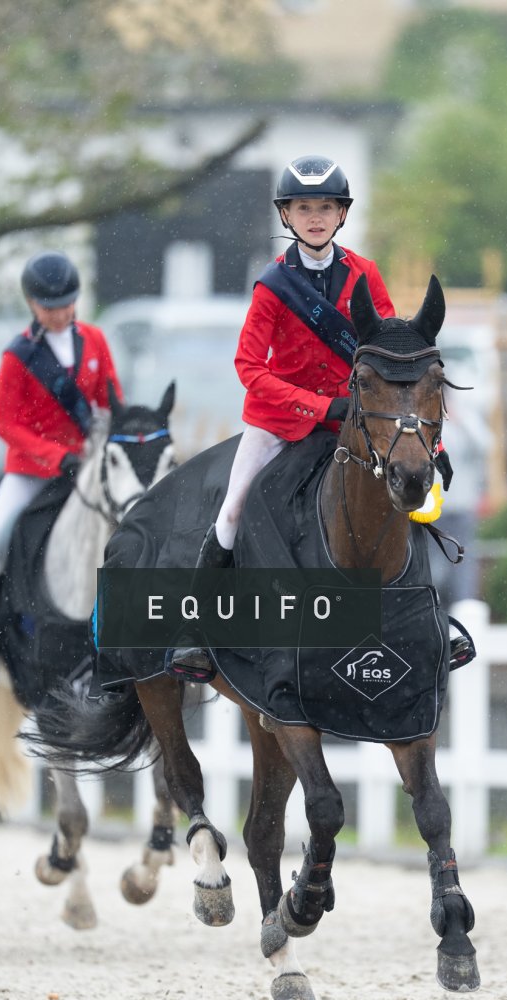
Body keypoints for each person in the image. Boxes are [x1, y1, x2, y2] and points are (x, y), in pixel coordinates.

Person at [168, 154, 396, 682]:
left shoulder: (365, 274)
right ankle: (195, 631)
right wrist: (317, 405)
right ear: (286, 216)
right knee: (233, 508)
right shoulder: (273, 284)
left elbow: (387, 348)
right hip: (280, 418)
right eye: (304, 208)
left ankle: (429, 617)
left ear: (342, 214)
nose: (315, 218)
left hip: (352, 417)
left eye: (326, 207)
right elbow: (248, 367)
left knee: (404, 490)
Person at [0, 250, 122, 687]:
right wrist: (54, 455)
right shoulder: (19, 356)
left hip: (86, 466)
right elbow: (6, 423)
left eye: (67, 304)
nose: (61, 314)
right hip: (33, 470)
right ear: (32, 304)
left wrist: (105, 441)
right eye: (50, 308)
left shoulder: (95, 341)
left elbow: (110, 400)